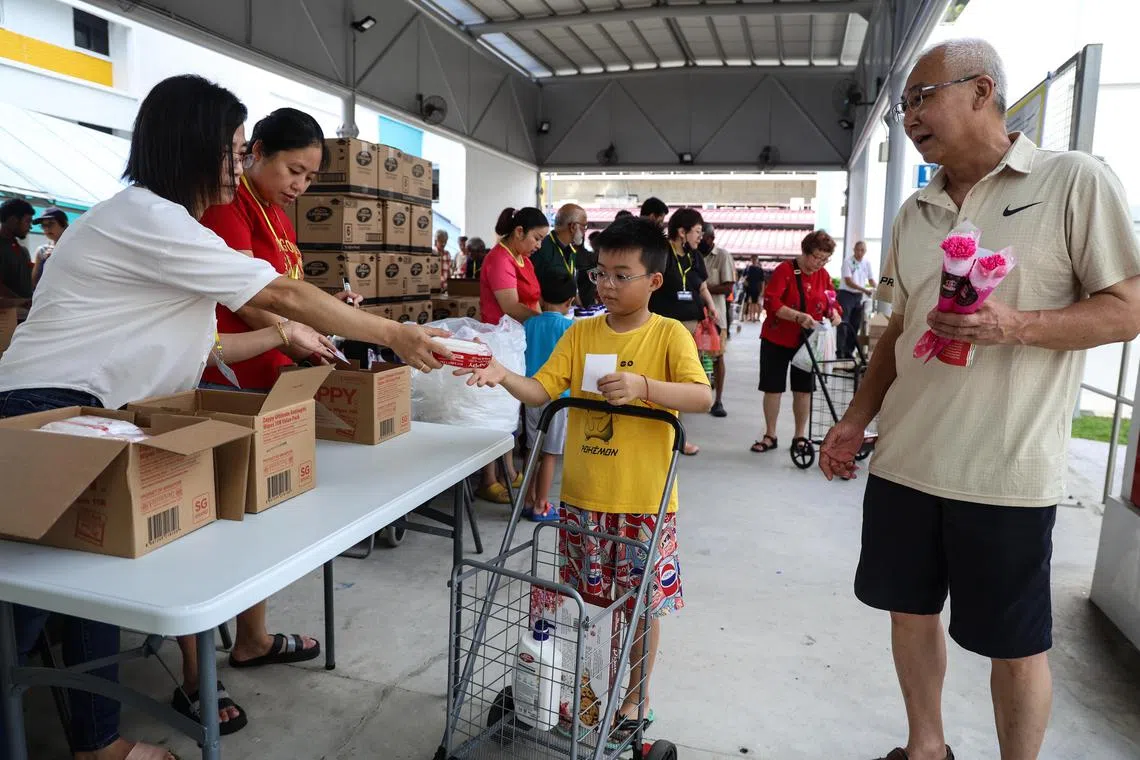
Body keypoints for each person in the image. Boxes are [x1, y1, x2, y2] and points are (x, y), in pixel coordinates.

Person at [0, 74, 450, 760]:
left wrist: (282, 337)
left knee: (85, 588)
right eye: (236, 150)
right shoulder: (149, 216)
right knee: (25, 614)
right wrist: (393, 335)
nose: (241, 166)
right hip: (44, 413)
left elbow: (212, 341)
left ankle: (97, 743)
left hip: (92, 417)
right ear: (190, 147)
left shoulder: (160, 226)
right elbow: (279, 290)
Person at [819, 39, 1140, 760]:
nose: (908, 117)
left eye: (922, 97)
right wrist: (855, 421)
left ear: (981, 91)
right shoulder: (917, 209)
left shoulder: (1071, 181)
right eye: (902, 104)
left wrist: (1017, 324)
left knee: (1014, 645)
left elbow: (1128, 306)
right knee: (908, 613)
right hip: (906, 461)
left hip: (1005, 472)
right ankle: (926, 748)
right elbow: (898, 329)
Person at [455, 215, 712, 743]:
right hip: (583, 500)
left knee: (638, 607)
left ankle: (636, 699)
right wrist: (503, 375)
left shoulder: (668, 335)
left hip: (644, 503)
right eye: (600, 275)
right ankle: (591, 695)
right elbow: (542, 390)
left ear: (653, 282)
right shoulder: (581, 333)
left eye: (622, 275)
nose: (608, 286)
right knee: (590, 605)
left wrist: (644, 386)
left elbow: (700, 396)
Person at [183, 107, 365, 733]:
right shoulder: (225, 211)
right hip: (219, 381)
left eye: (311, 177)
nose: (300, 186)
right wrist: (298, 328)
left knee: (258, 518)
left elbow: (287, 290)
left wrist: (325, 315)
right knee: (206, 526)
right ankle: (191, 673)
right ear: (255, 150)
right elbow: (255, 299)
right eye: (293, 169)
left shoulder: (277, 216)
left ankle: (252, 639)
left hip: (268, 382)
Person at [475, 206, 549, 503]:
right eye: (536, 238)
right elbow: (510, 305)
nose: (538, 245)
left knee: (512, 408)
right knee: (496, 409)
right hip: (499, 340)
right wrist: (545, 324)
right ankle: (489, 479)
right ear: (519, 232)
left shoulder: (522, 259)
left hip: (519, 339)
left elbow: (533, 301)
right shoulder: (498, 258)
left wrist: (542, 325)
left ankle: (508, 470)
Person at [751, 230, 840, 455]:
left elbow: (831, 301)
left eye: (824, 259)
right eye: (816, 257)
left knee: (803, 390)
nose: (819, 263)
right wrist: (798, 316)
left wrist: (835, 313)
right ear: (805, 251)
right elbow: (772, 303)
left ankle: (799, 436)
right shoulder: (785, 270)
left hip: (807, 342)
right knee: (773, 388)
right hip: (777, 337)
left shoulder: (824, 275)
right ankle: (770, 434)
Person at [648, 207, 719, 456]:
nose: (701, 236)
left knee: (680, 385)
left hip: (690, 330)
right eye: (697, 231)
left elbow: (700, 286)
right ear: (682, 231)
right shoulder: (661, 253)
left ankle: (675, 436)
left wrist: (710, 306)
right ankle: (669, 437)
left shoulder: (693, 257)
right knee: (664, 384)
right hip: (664, 328)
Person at [520, 268, 575, 522]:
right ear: (570, 302)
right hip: (558, 398)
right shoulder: (570, 328)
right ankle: (542, 505)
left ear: (541, 299)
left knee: (532, 449)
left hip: (531, 393)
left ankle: (527, 500)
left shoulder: (529, 324)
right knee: (551, 453)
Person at [698, 224, 736, 417]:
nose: (701, 241)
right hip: (695, 316)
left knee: (717, 357)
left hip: (715, 317)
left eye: (704, 237)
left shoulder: (722, 256)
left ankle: (718, 400)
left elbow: (728, 287)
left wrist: (702, 288)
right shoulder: (693, 255)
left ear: (712, 238)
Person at [531, 203, 588, 301]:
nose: (584, 232)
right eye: (584, 226)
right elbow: (534, 290)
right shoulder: (541, 249)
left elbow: (571, 287)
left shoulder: (571, 250)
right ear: (573, 226)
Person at [837, 240, 875, 358]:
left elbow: (871, 279)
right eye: (858, 250)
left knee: (855, 325)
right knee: (844, 323)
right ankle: (840, 351)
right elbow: (848, 281)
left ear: (865, 251)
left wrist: (879, 287)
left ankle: (849, 351)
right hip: (846, 295)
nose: (860, 252)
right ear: (854, 250)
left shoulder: (867, 263)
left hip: (858, 296)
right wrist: (865, 290)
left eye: (862, 250)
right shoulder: (848, 262)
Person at [0, 198, 33, 298]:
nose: (30, 227)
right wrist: (22, 302)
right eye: (28, 221)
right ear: (13, 220)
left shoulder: (21, 250)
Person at [31, 206, 68, 288]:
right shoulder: (42, 251)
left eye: (51, 223)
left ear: (64, 224)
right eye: (43, 225)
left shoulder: (77, 248)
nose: (47, 228)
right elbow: (34, 282)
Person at [742, 256, 766, 323]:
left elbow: (763, 281)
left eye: (755, 259)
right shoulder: (747, 268)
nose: (754, 260)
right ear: (751, 260)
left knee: (757, 303)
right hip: (748, 288)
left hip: (757, 288)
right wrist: (744, 282)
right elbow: (743, 278)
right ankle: (750, 317)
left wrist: (762, 290)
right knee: (749, 303)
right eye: (753, 259)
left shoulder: (760, 269)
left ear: (757, 260)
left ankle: (757, 317)